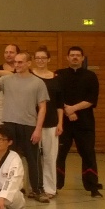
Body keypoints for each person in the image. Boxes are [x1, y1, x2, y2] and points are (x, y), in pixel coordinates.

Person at [0, 52, 49, 202]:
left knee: (33, 160)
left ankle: (38, 190)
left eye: (20, 62)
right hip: (10, 125)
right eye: (16, 62)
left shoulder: (38, 83)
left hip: (29, 125)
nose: (17, 65)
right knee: (9, 158)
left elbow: (42, 107)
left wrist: (38, 129)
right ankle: (11, 188)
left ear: (28, 63)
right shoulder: (7, 80)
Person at [55, 46, 101, 197]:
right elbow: (56, 97)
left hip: (85, 123)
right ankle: (55, 185)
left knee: (88, 153)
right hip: (63, 123)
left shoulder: (91, 76)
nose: (75, 57)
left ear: (82, 58)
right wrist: (67, 111)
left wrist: (73, 109)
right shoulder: (59, 75)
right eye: (72, 55)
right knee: (59, 154)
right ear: (67, 57)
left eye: (78, 55)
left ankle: (92, 187)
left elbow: (92, 99)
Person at [30, 46, 63, 199]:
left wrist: (60, 123)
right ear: (34, 60)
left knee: (50, 157)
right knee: (33, 158)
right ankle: (34, 187)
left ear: (48, 59)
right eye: (37, 58)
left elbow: (59, 104)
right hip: (32, 122)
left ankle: (50, 188)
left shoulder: (56, 78)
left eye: (43, 58)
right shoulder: (29, 76)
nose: (40, 60)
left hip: (51, 123)